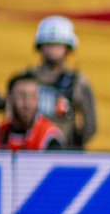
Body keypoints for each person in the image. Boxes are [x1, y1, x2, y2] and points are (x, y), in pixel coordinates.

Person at [19, 15, 97, 148]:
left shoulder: (77, 81)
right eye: (49, 44)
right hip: (30, 147)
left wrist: (75, 145)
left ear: (67, 48)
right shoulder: (26, 79)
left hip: (62, 149)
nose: (53, 49)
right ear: (40, 47)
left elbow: (90, 123)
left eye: (58, 44)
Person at [0, 74, 69, 150]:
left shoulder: (48, 136)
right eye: (22, 96)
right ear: (9, 98)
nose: (27, 104)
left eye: (33, 97)